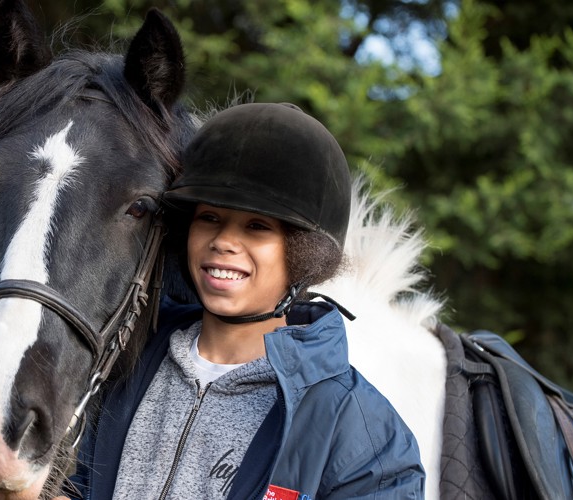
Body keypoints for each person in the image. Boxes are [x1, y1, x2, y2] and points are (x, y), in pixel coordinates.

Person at [61, 102, 424, 499]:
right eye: (209, 218)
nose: (224, 242)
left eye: (256, 226)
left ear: (304, 253)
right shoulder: (125, 362)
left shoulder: (365, 433)